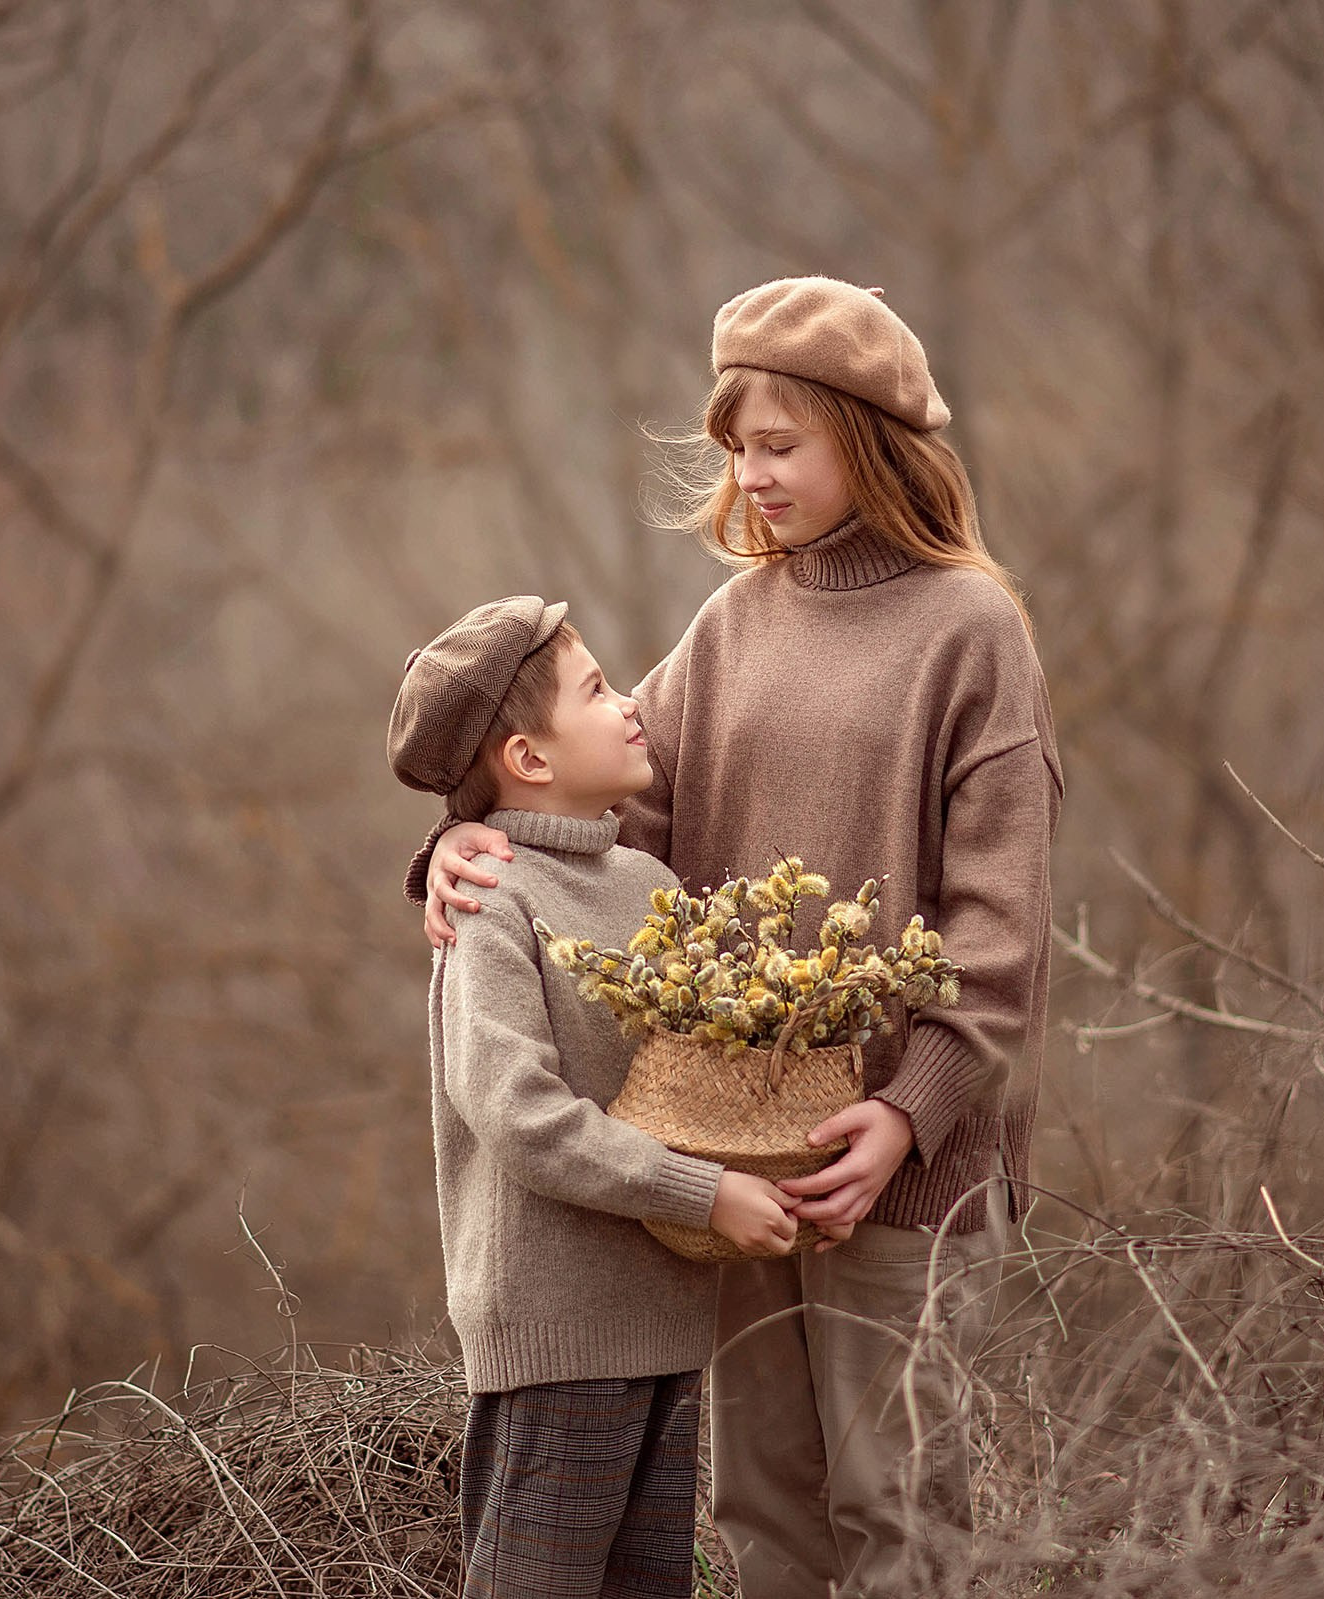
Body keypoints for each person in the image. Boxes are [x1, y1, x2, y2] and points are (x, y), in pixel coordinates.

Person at [406, 278, 1062, 1597]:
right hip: (735, 1154)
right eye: (734, 447)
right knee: (764, 1503)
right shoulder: (731, 626)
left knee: (897, 1504)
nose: (749, 475)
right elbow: (580, 791)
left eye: (779, 444)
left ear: (867, 441)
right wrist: (449, 844)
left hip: (899, 1165)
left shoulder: (969, 629)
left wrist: (907, 1112)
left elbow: (1002, 916)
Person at [388, 595, 802, 1599]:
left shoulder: (646, 881)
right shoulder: (494, 899)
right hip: (556, 1340)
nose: (631, 707)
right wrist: (704, 1194)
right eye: (597, 692)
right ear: (528, 759)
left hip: (664, 1321)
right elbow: (520, 1118)